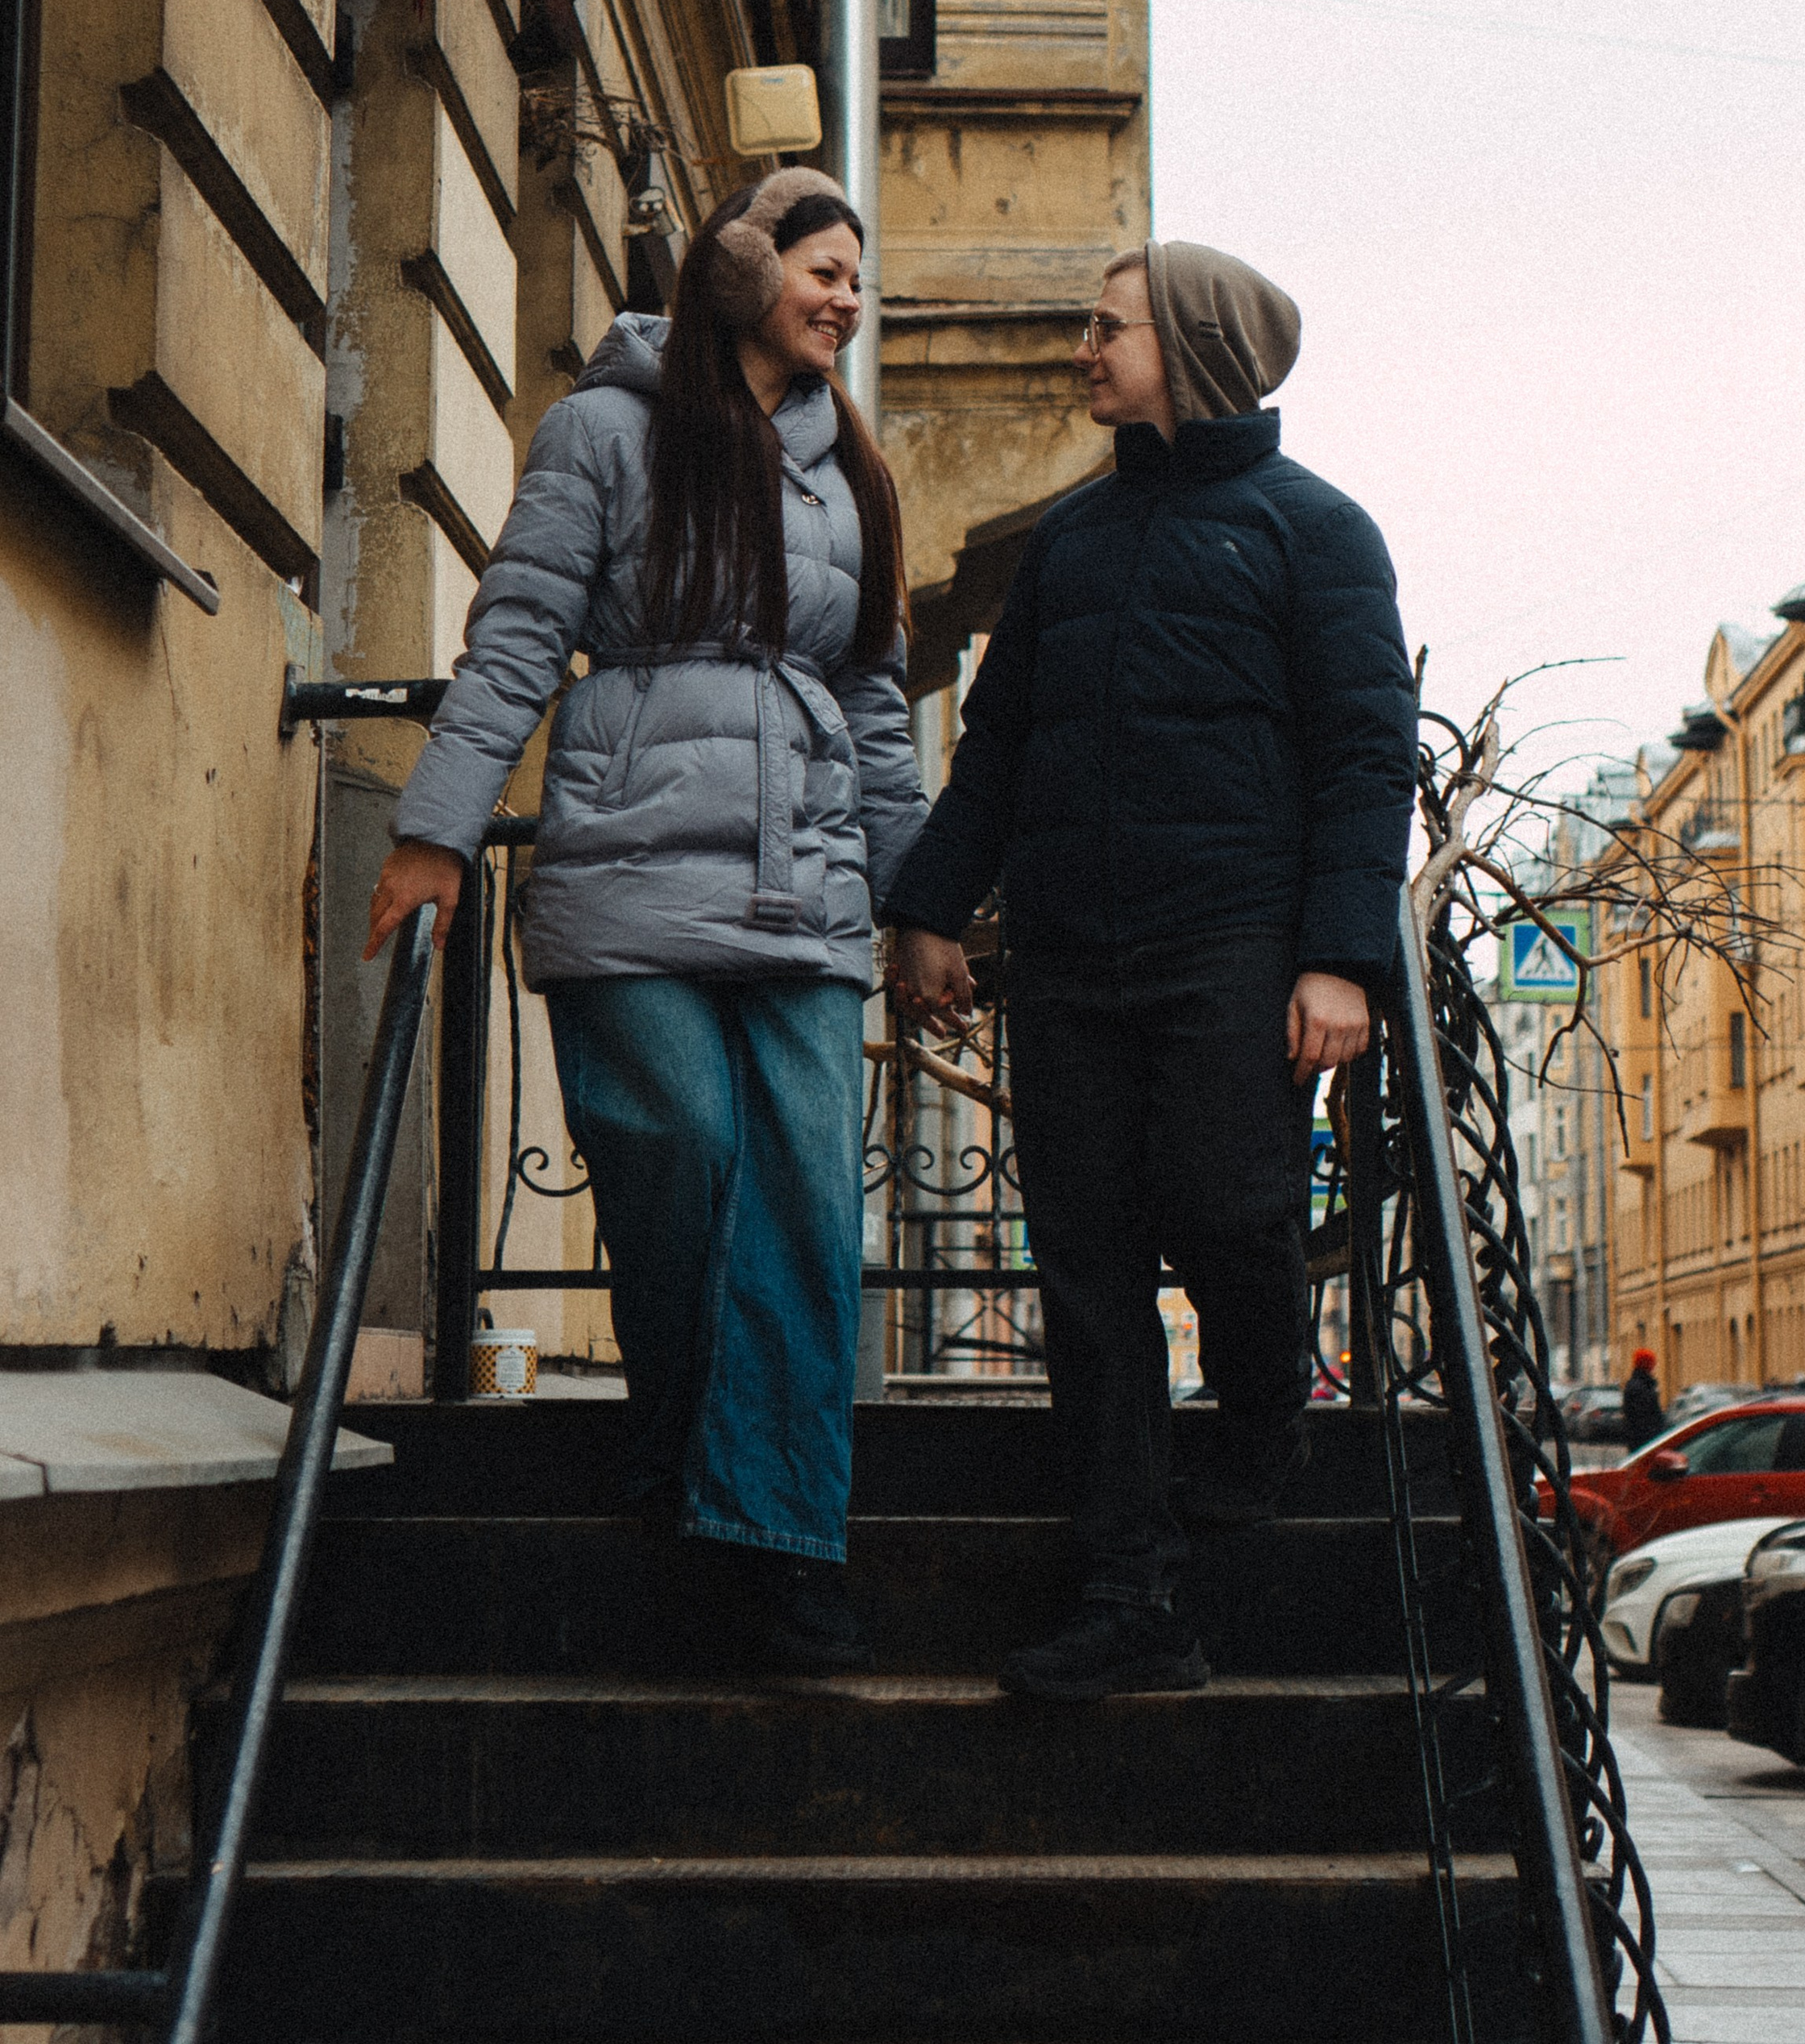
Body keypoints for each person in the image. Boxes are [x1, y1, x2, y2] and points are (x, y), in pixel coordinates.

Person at [363, 170, 956, 1668]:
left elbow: (879, 714)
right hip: (629, 871)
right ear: (744, 271)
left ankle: (771, 1547)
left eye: (855, 281)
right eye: (825, 269)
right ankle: (698, 1480)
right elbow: (515, 639)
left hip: (808, 886)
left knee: (811, 1207)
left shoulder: (854, 475)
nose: (845, 298)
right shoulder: (604, 432)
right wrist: (437, 830)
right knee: (679, 1164)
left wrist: (924, 908)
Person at [888, 241, 1418, 1700]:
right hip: (1067, 960)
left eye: (1107, 327)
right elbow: (996, 744)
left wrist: (1340, 961)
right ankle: (1133, 1603)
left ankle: (1263, 1412)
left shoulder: (1320, 533)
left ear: (1189, 349)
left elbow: (1372, 760)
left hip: (1232, 954)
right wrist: (932, 906)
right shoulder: (1070, 539)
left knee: (1234, 1212)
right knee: (1090, 1275)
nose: (1082, 348)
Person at [1621, 1348, 1666, 1448]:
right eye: (1652, 1363)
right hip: (1644, 1440)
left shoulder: (1638, 1384)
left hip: (1639, 1438)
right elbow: (1645, 1415)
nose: (1654, 1366)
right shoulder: (1642, 1386)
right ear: (1646, 1364)